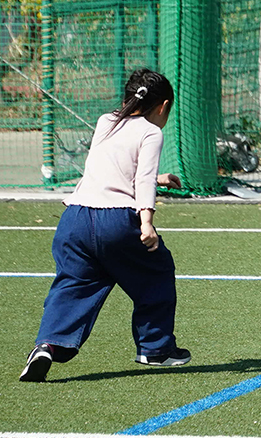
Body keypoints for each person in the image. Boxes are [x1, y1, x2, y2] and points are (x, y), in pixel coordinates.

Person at [19, 69, 188, 382]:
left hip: (75, 220)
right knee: (157, 271)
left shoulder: (104, 121)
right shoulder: (152, 132)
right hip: (117, 221)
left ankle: (48, 345)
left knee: (74, 283)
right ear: (163, 107)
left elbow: (112, 166)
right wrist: (147, 221)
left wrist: (157, 178)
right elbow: (141, 178)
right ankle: (155, 348)